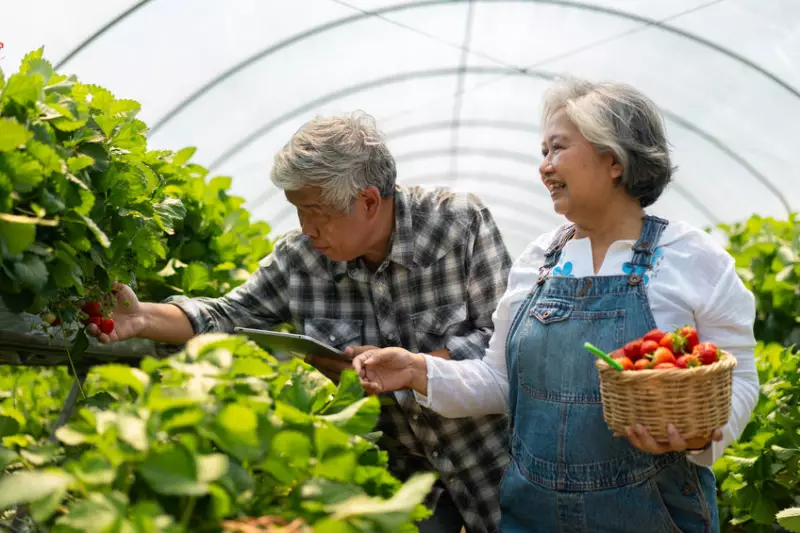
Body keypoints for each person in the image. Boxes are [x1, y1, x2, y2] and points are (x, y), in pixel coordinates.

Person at [352, 78, 760, 533]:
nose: (543, 167)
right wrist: (416, 370)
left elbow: (738, 374)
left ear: (613, 158)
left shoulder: (691, 258)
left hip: (653, 513)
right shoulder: (538, 261)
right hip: (534, 515)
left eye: (556, 149)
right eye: (542, 152)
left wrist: (703, 437)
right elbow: (500, 380)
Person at [88, 111, 513, 533]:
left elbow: (505, 344)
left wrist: (412, 369)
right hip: (401, 483)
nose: (307, 229)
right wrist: (142, 316)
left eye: (317, 211)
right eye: (298, 212)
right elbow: (228, 315)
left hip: (489, 461)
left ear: (367, 201)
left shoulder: (458, 225)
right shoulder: (299, 260)